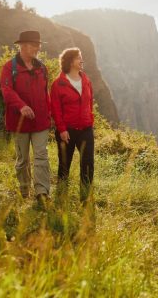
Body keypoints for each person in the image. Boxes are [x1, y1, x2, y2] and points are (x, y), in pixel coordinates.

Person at [0, 30, 51, 205]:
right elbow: (6, 91)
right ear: (22, 45)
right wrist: (21, 106)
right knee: (22, 160)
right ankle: (24, 189)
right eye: (34, 44)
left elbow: (46, 94)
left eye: (38, 45)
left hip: (41, 121)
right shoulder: (9, 67)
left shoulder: (42, 68)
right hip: (19, 122)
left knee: (41, 155)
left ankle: (42, 192)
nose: (37, 48)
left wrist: (50, 115)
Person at [50, 47, 95, 204]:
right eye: (78, 58)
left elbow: (90, 101)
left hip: (86, 130)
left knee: (88, 164)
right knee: (64, 165)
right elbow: (55, 109)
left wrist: (90, 119)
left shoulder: (86, 80)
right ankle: (61, 199)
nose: (81, 60)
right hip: (67, 131)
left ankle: (86, 199)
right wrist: (62, 129)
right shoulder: (58, 84)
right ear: (70, 61)